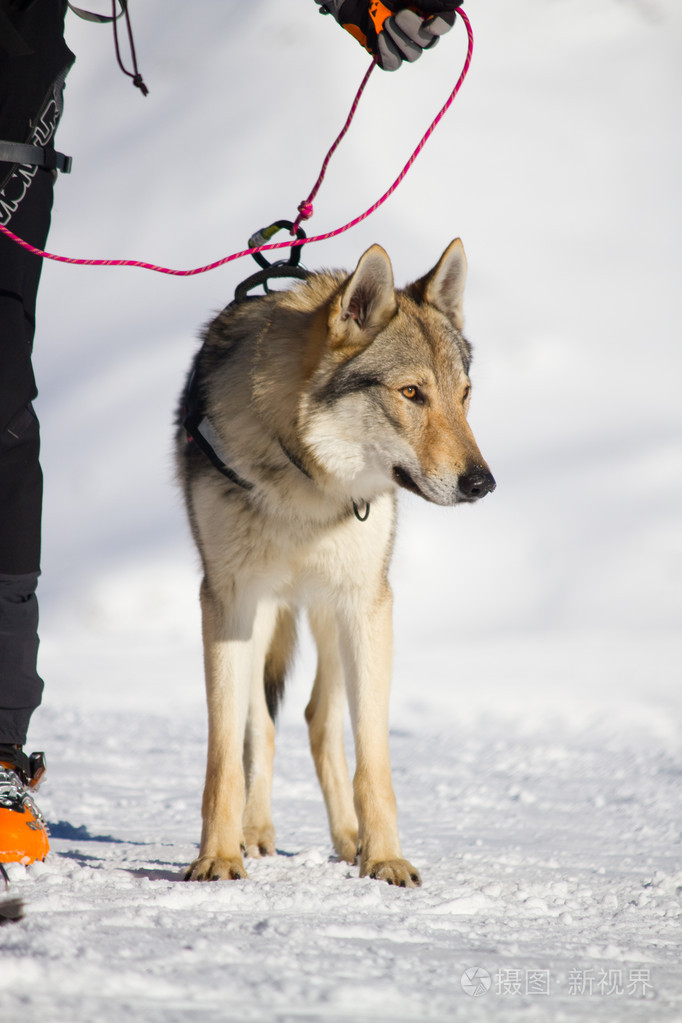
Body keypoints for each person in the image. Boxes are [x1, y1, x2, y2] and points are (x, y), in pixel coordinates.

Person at [0, 0, 463, 866]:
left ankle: (358, 799)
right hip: (258, 448)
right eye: (422, 398)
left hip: (17, 105)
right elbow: (228, 603)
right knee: (246, 605)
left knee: (343, 609)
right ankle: (236, 799)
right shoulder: (292, 382)